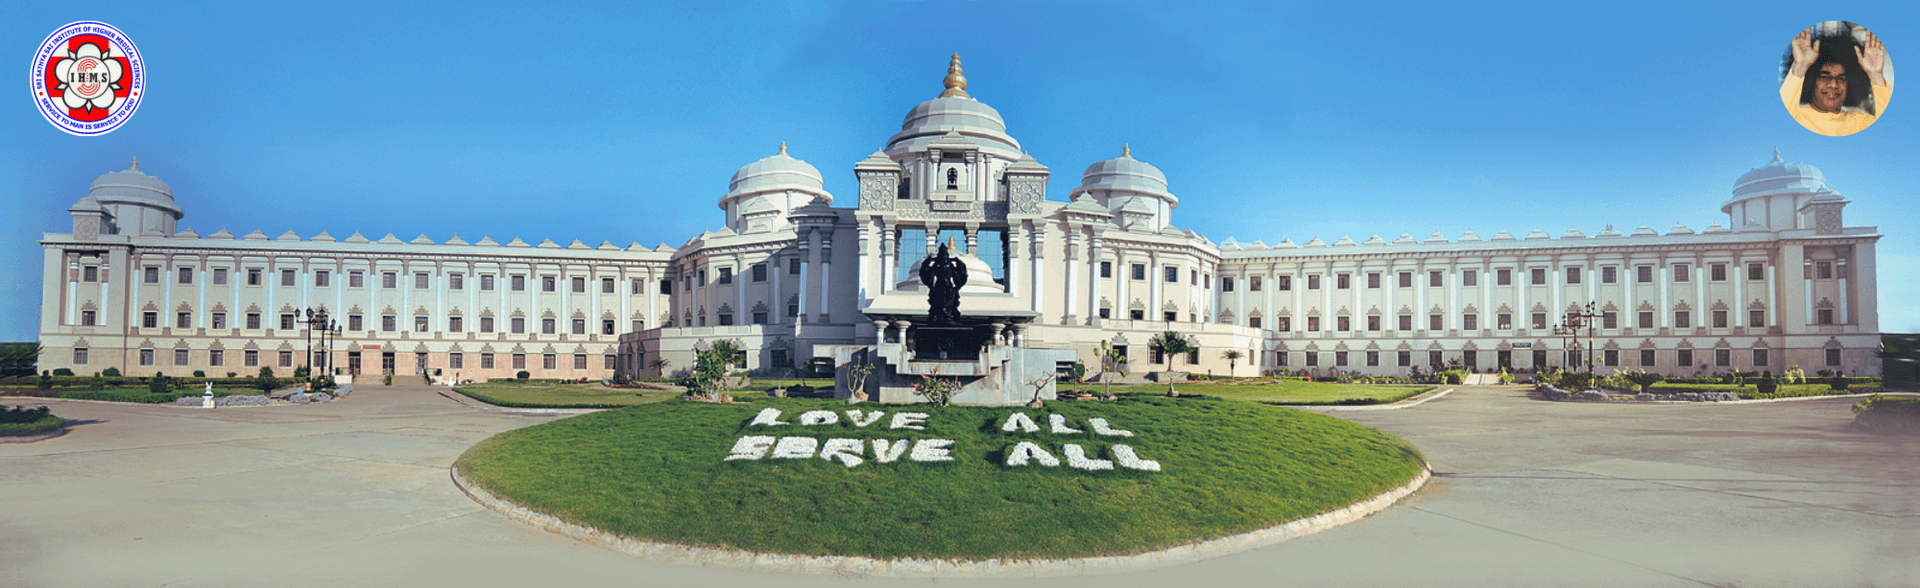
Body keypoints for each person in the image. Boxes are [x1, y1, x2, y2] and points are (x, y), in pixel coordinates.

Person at [1782, 25, 1892, 136]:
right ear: (1810, 81)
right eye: (1824, 77)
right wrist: (1800, 67)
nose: (1834, 84)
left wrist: (1875, 74)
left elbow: (1888, 131)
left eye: (1842, 78)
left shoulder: (1861, 122)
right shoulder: (1795, 117)